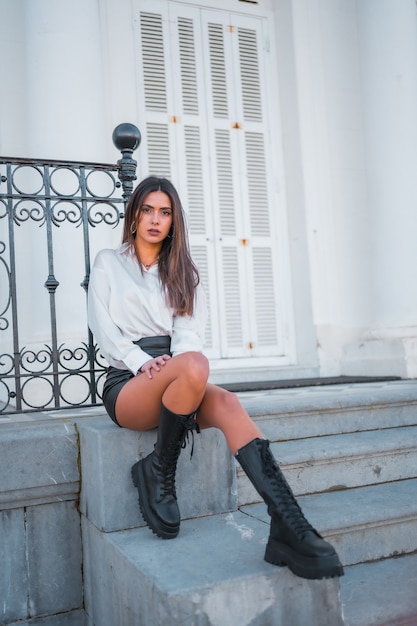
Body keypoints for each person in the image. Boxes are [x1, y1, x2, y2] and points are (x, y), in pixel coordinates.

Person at [87, 175, 343, 580]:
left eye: (165, 212)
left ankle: (290, 525)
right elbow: (104, 331)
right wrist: (140, 362)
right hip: (127, 383)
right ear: (134, 216)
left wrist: (178, 367)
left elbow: (188, 336)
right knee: (193, 365)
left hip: (176, 375)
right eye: (148, 209)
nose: (156, 219)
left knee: (226, 402)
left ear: (174, 222)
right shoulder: (108, 263)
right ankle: (159, 472)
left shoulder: (183, 271)